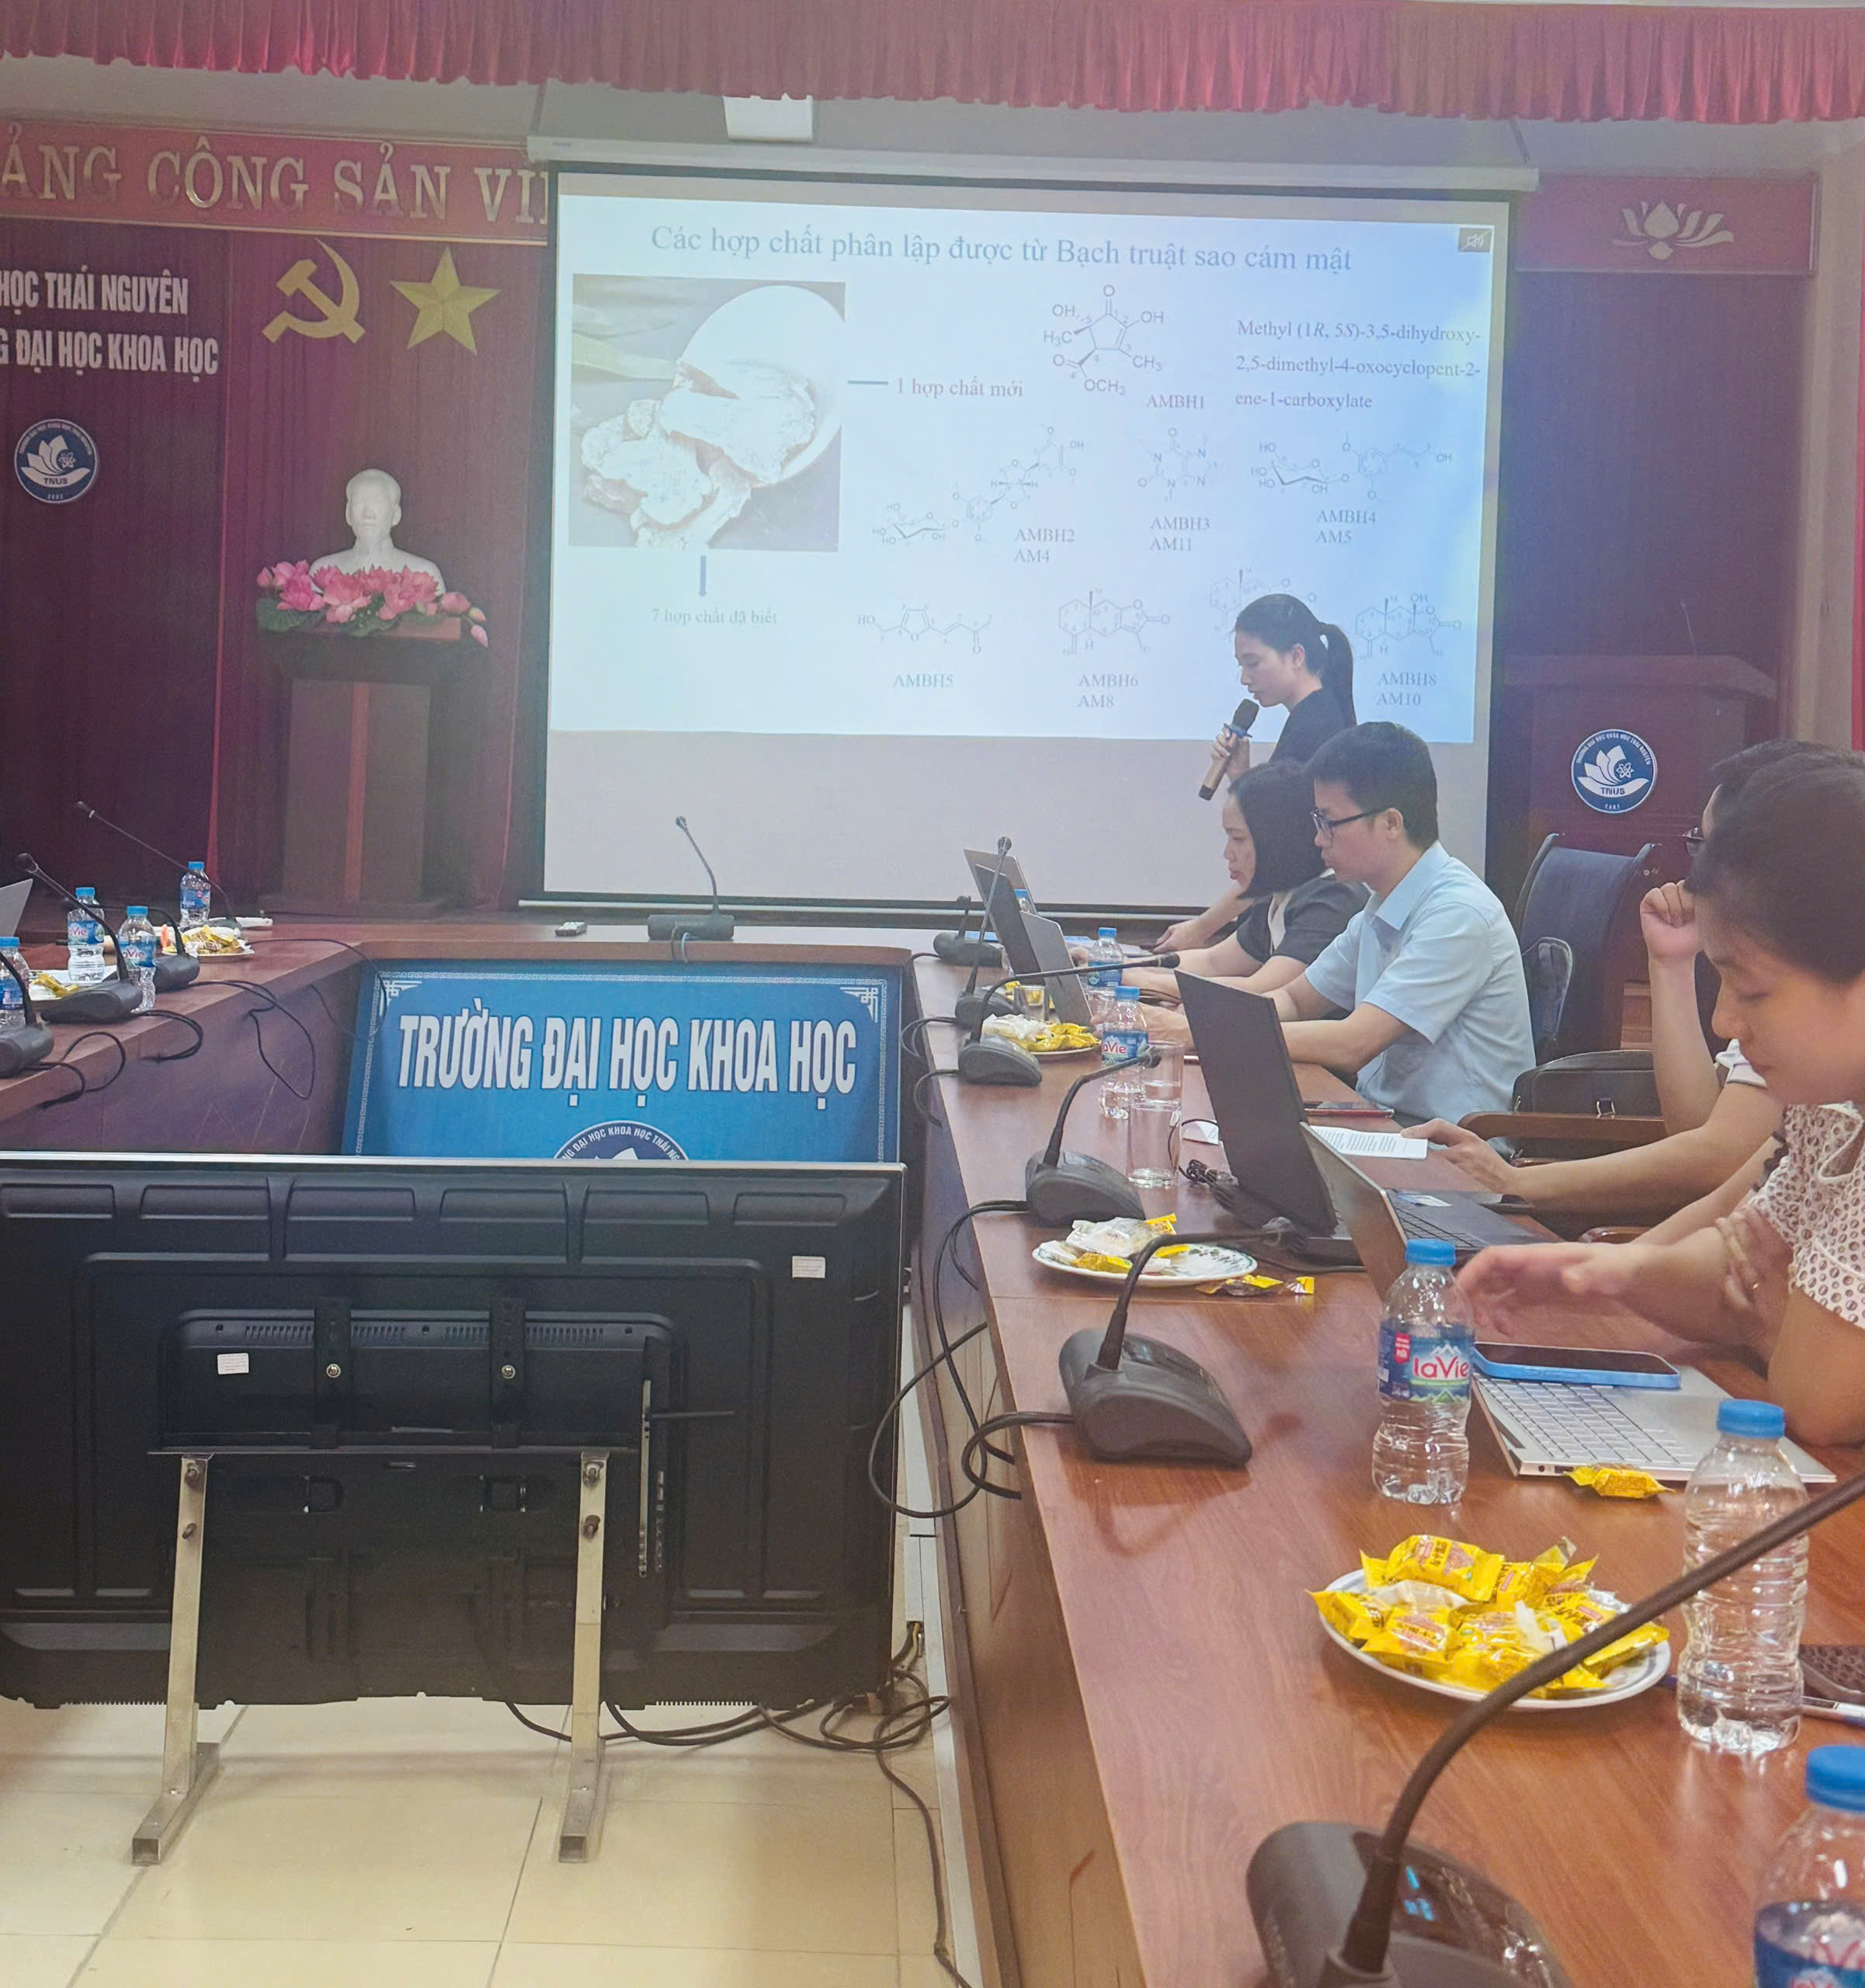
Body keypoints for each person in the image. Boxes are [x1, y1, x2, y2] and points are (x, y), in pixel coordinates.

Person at [1461, 756, 1865, 1446]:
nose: (1726, 1022)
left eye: (1754, 991)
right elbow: (1731, 1268)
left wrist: (1771, 1321)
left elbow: (1816, 1405)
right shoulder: (1830, 1109)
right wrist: (1595, 1273)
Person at [1415, 742, 1855, 1223]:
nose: (1725, 1021)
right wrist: (1671, 965)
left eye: (1706, 848)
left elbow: (1717, 1157)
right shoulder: (1816, 1105)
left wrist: (1514, 1182)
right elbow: (1699, 1134)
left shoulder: (1806, 987)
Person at [1243, 721, 1534, 1124]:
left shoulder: (1457, 915)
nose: (1318, 840)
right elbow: (1295, 1000)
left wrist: (1217, 1036)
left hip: (1454, 1148)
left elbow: (1353, 1044)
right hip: (1389, 1123)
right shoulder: (1380, 905)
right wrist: (1198, 1025)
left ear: (1391, 823)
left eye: (1328, 822)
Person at [1162, 594, 1356, 952]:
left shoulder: (1315, 726)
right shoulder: (1311, 716)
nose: (1244, 678)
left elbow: (1276, 850)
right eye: (1241, 665)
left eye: (1253, 663)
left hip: (1303, 920)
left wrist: (1202, 928)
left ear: (1296, 656)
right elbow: (1273, 825)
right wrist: (1242, 778)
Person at [1131, 762, 1365, 1038]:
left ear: (1277, 839)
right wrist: (1124, 968)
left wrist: (1135, 980)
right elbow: (1212, 962)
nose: (1228, 853)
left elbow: (1259, 991)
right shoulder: (1278, 895)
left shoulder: (1332, 900)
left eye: (1238, 839)